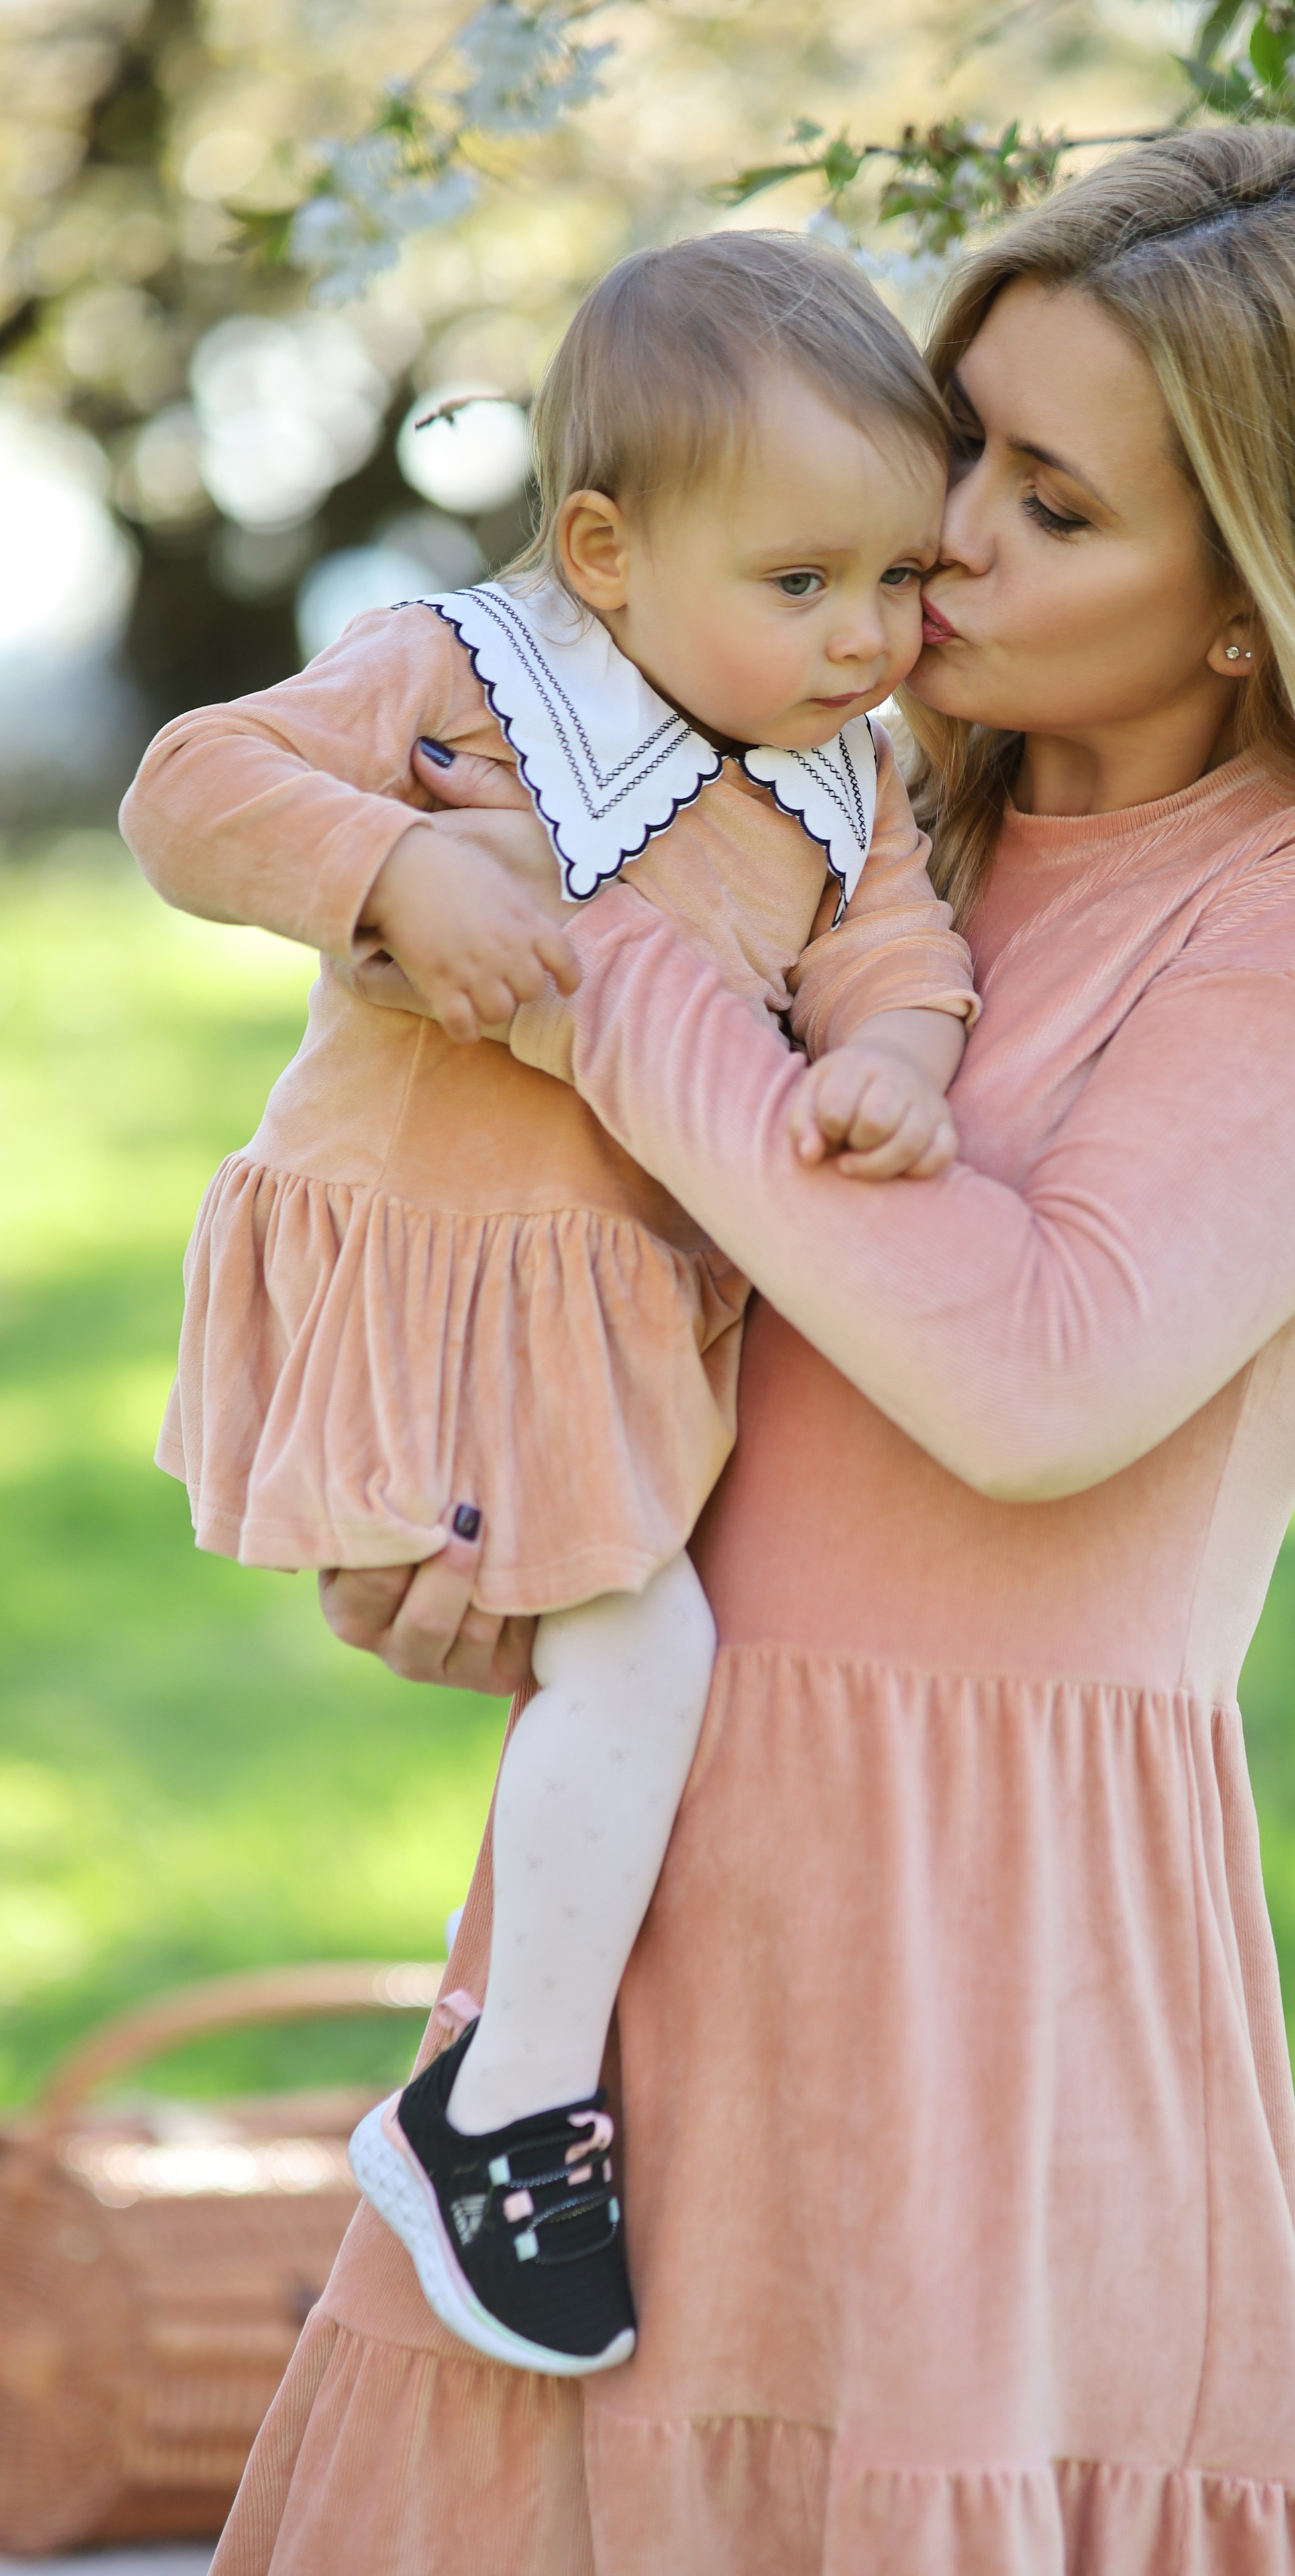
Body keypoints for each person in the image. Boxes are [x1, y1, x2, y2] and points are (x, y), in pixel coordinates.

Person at [168, 127, 1295, 2576]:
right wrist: (486, 1528)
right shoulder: (849, 798)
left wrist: (577, 955)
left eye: (1047, 506)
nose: (944, 555)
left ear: (1255, 600)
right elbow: (628, 1287)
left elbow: (1032, 1377)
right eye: (956, 462)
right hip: (628, 1916)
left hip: (976, 1945)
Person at [119, 229, 980, 2378]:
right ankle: (507, 2098)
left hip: (605, 1311)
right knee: (637, 1652)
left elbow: (893, 957)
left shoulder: (837, 774)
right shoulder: (456, 665)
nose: (867, 636)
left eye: (898, 580)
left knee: (615, 1669)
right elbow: (192, 787)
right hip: (423, 1266)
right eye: (802, 583)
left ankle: (510, 2036)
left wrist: (888, 1062)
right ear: (602, 545)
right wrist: (386, 869)